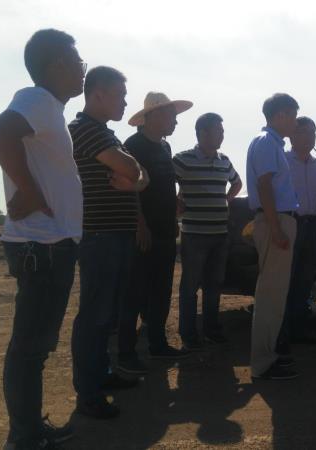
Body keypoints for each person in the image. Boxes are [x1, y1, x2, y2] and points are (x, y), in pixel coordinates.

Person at [0, 28, 84, 450]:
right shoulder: (37, 100)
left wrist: (31, 190)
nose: (83, 70)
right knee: (29, 349)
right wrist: (27, 191)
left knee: (33, 348)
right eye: (78, 62)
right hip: (41, 246)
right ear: (58, 65)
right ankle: (25, 437)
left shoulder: (48, 108)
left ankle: (28, 429)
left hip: (47, 244)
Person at [69, 66, 149, 420]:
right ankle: (88, 392)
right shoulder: (84, 130)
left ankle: (100, 374)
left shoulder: (106, 134)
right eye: (120, 95)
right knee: (95, 315)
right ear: (98, 94)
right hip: (99, 235)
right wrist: (135, 175)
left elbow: (142, 176)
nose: (125, 102)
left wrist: (135, 180)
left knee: (108, 314)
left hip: (116, 235)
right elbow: (134, 170)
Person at [117, 92, 193, 374]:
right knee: (134, 293)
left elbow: (165, 183)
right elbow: (129, 188)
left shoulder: (164, 147)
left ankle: (158, 344)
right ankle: (126, 354)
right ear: (155, 116)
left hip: (165, 229)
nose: (175, 122)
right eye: (172, 116)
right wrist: (140, 224)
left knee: (161, 291)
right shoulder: (132, 146)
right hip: (143, 232)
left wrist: (174, 205)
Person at [172, 112, 242, 349]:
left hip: (219, 234)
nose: (222, 135)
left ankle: (212, 330)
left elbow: (237, 182)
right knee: (190, 287)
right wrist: (176, 201)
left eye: (222, 131)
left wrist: (226, 200)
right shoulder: (182, 159)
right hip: (194, 234)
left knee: (214, 285)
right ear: (202, 132)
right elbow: (163, 181)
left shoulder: (224, 160)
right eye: (218, 131)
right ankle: (188, 335)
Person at [246, 93, 300, 380]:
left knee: (273, 296)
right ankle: (264, 362)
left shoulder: (271, 143)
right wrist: (276, 228)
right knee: (271, 296)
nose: (295, 123)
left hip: (276, 220)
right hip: (275, 221)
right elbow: (264, 186)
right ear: (280, 115)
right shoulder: (267, 142)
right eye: (293, 116)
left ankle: (268, 357)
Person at [280, 116, 316, 346]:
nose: (309, 137)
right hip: (290, 223)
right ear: (292, 136)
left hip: (311, 223)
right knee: (286, 279)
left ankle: (299, 329)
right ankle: (282, 332)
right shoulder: (283, 161)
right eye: (304, 132)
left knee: (305, 279)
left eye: (312, 132)